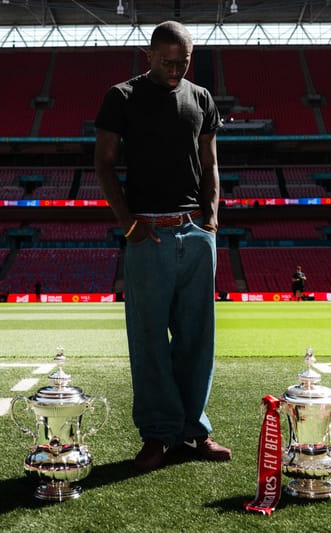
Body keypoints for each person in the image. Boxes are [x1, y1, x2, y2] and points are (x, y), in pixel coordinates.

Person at [94, 20, 232, 473]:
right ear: (147, 56)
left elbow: (211, 163)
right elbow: (105, 164)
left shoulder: (203, 99)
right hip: (147, 231)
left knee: (197, 339)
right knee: (150, 339)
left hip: (195, 231)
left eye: (184, 62)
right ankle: (157, 434)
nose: (175, 70)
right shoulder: (121, 97)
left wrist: (211, 220)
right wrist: (128, 224)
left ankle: (194, 431)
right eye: (167, 61)